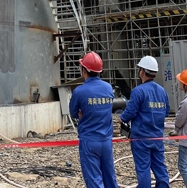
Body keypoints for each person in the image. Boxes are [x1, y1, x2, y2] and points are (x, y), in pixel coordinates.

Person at [69, 51, 119, 188]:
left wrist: (82, 112)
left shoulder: (79, 91)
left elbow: (73, 113)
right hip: (106, 140)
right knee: (110, 178)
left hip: (89, 141)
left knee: (94, 181)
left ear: (84, 70)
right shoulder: (108, 88)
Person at [119, 56, 170, 188]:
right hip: (157, 136)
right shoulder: (162, 91)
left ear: (142, 71)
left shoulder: (138, 91)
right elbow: (166, 112)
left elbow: (130, 113)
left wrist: (121, 118)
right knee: (160, 167)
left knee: (143, 170)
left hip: (141, 138)